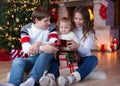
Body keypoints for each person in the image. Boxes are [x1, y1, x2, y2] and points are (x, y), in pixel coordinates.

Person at [0, 5, 59, 86]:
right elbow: (26, 48)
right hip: (33, 58)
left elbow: (53, 43)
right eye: (46, 21)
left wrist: (38, 44)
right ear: (37, 20)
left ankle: (32, 80)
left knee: (47, 51)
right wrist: (41, 47)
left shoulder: (51, 27)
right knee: (18, 61)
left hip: (47, 59)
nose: (49, 23)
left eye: (49, 20)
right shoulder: (26, 29)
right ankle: (12, 84)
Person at [57, 6, 98, 86]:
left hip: (83, 58)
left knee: (94, 59)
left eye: (81, 19)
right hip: (70, 57)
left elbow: (86, 52)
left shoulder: (89, 33)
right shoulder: (70, 28)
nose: (77, 21)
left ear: (85, 19)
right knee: (58, 59)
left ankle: (72, 78)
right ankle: (50, 77)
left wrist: (77, 46)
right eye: (76, 18)